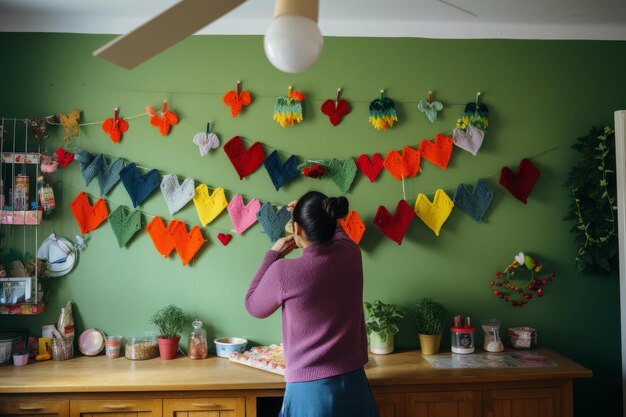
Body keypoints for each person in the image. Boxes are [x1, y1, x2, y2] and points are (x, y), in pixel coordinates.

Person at [245, 191, 380, 417]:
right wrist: (311, 212)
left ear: (297, 229)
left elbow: (253, 305)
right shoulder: (351, 253)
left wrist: (273, 256)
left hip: (310, 392)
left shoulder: (284, 272)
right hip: (355, 385)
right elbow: (337, 230)